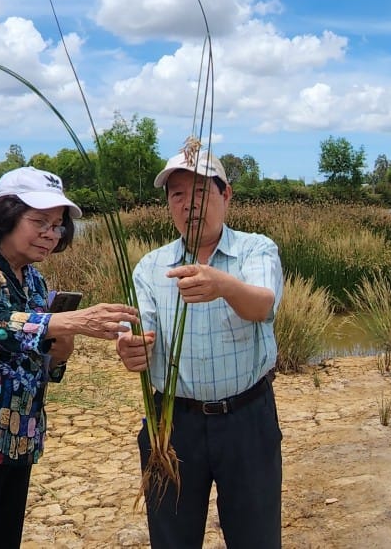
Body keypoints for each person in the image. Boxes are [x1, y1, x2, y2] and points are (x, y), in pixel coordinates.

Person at [0, 166, 140, 548]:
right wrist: (72, 320)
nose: (52, 233)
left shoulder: (33, 280)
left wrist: (61, 347)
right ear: (5, 216)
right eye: (40, 222)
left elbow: (39, 359)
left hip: (13, 445)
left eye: (58, 225)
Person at [115, 151, 285, 548]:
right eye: (176, 195)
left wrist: (222, 285)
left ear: (227, 195)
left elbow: (262, 304)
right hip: (172, 424)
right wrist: (131, 349)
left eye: (200, 192)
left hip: (247, 419)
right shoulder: (150, 267)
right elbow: (140, 333)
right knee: (172, 537)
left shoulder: (255, 250)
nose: (188, 204)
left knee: (255, 536)